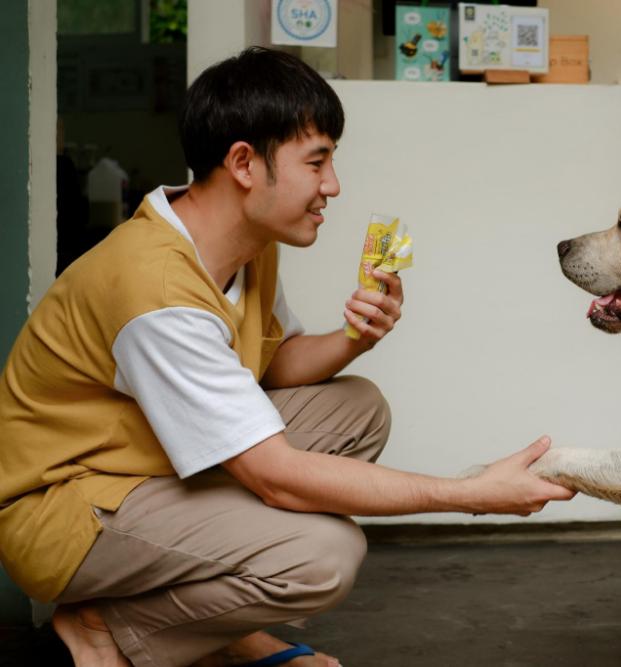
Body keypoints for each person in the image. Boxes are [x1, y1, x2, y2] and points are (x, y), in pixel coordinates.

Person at [0, 47, 573, 667]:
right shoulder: (158, 294)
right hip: (65, 511)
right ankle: (113, 629)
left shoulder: (243, 244)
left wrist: (357, 336)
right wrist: (470, 493)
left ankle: (198, 623)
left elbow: (270, 365)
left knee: (358, 409)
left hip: (143, 465)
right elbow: (272, 473)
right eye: (317, 160)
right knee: (322, 554)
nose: (333, 185)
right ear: (244, 163)